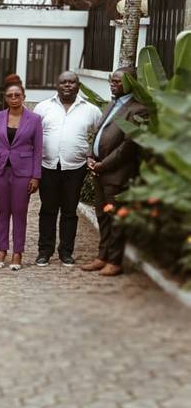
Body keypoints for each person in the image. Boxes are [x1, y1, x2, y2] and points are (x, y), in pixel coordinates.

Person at [33, 71, 102, 267]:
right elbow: (32, 136)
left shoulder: (91, 110)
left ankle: (66, 252)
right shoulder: (43, 107)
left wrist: (91, 155)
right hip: (48, 166)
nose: (67, 85)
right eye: (64, 82)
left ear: (78, 86)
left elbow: (100, 136)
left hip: (75, 168)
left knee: (70, 211)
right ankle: (44, 252)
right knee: (47, 210)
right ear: (57, 85)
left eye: (72, 82)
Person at [83, 68, 148, 277]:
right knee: (102, 216)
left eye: (118, 81)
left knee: (116, 218)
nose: (113, 84)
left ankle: (115, 261)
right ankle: (102, 256)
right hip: (99, 170)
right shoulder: (113, 103)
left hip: (116, 173)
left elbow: (128, 147)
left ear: (130, 83)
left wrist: (104, 165)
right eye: (112, 80)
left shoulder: (138, 109)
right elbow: (98, 133)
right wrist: (90, 157)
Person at [0, 76, 42, 271]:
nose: (14, 98)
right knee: (2, 211)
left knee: (19, 212)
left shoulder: (34, 119)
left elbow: (38, 149)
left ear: (23, 97)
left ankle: (17, 252)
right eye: (10, 95)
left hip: (23, 172)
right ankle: (1, 250)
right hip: (0, 170)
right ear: (5, 98)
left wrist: (36, 176)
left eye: (17, 95)